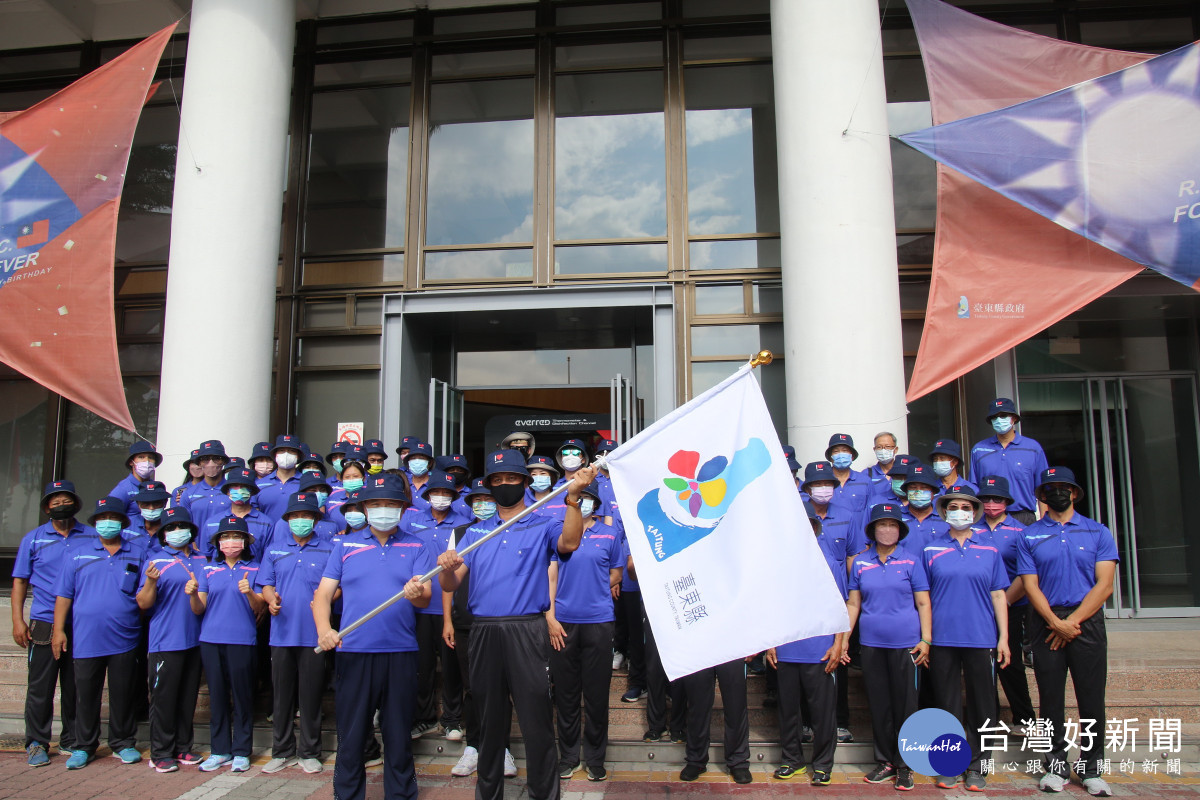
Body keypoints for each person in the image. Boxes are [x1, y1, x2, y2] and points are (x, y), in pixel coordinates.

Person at [436, 450, 595, 800]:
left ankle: (544, 794)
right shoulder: (475, 533)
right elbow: (450, 585)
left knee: (536, 717)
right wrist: (447, 565)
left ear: (524, 482)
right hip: (484, 632)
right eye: (497, 480)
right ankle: (489, 793)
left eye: (511, 479)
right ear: (489, 486)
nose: (504, 485)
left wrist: (572, 498)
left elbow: (570, 542)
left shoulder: (541, 525)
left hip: (527, 630)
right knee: (489, 721)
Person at [315, 473, 434, 800]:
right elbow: (323, 596)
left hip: (401, 652)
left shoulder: (417, 545)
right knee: (351, 734)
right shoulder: (344, 545)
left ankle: (401, 795)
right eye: (376, 504)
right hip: (353, 652)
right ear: (364, 507)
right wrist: (325, 630)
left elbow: (425, 597)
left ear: (403, 508)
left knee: (398, 733)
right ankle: (348, 795)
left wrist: (416, 592)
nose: (383, 509)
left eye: (391, 504)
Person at [1017, 467, 1118, 797]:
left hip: (1085, 621)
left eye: (1063, 488)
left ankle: (1091, 768)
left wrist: (1071, 622)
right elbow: (1030, 585)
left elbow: (1104, 586)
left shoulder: (1097, 532)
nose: (1057, 494)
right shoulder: (1029, 535)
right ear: (1041, 497)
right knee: (1050, 701)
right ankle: (1055, 767)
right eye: (1050, 489)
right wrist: (1055, 622)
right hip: (1046, 621)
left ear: (1074, 493)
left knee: (1091, 700)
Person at [52, 496, 149, 769]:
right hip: (86, 638)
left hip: (125, 636)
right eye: (102, 519)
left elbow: (144, 594)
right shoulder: (77, 554)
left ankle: (123, 742)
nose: (108, 524)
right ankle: (83, 746)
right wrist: (59, 630)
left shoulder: (137, 552)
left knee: (123, 693)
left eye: (113, 519)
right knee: (86, 694)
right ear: (95, 523)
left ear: (123, 523)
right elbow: (63, 596)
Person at [925, 488, 1010, 792]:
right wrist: (926, 638)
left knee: (982, 704)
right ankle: (950, 762)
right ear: (944, 512)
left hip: (981, 637)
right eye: (953, 506)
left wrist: (1004, 639)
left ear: (974, 513)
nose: (959, 511)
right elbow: (923, 599)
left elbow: (999, 594)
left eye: (965, 507)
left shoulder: (989, 550)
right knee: (946, 702)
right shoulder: (931, 550)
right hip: (942, 639)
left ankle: (978, 765)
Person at [846, 503, 931, 791]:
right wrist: (844, 639)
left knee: (905, 705)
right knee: (880, 704)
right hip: (871, 645)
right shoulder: (860, 562)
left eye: (892, 525)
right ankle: (885, 761)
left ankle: (906, 765)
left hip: (906, 645)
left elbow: (922, 602)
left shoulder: (911, 561)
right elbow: (854, 603)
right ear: (872, 530)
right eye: (881, 525)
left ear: (900, 530)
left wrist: (926, 639)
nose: (887, 530)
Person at [767, 500, 848, 787]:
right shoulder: (778, 563)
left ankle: (823, 764)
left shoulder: (829, 562)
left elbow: (841, 605)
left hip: (819, 650)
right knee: (788, 710)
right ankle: (792, 760)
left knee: (822, 712)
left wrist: (839, 643)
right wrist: (771, 643)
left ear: (815, 529)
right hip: (787, 647)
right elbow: (772, 606)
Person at [12, 480, 92, 767]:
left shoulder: (92, 537)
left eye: (65, 500)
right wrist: (18, 621)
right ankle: (36, 742)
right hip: (44, 621)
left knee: (76, 685)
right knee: (40, 687)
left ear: (76, 503)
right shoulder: (33, 539)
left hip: (80, 622)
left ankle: (71, 739)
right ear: (47, 507)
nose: (61, 505)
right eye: (55, 502)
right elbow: (20, 581)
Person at [547, 484, 623, 782]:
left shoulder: (610, 535)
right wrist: (550, 617)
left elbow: (616, 572)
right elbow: (550, 575)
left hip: (599, 622)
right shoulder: (559, 532)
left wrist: (596, 587)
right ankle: (568, 757)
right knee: (565, 695)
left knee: (596, 694)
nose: (584, 503)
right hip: (563, 624)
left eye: (589, 499)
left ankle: (595, 758)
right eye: (580, 499)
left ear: (595, 503)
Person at [258, 496, 335, 775]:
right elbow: (266, 583)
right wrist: (270, 599)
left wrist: (327, 600)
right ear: (288, 519)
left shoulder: (330, 550)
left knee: (311, 696)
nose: (301, 520)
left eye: (306, 515)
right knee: (282, 697)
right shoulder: (274, 550)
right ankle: (281, 751)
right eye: (295, 515)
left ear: (315, 519)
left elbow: (338, 587)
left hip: (315, 635)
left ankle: (310, 751)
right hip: (281, 635)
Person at [442, 479, 508, 779]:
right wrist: (447, 620)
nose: (482, 504)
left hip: (499, 620)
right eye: (477, 500)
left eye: (487, 498)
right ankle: (474, 746)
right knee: (472, 687)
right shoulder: (460, 533)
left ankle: (502, 748)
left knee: (501, 687)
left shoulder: (509, 527)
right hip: (466, 622)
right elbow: (447, 580)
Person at [402, 470, 473, 741]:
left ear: (454, 497)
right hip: (419, 606)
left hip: (448, 605)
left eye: (446, 493)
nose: (440, 497)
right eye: (436, 493)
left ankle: (452, 719)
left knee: (453, 668)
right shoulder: (412, 520)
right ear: (427, 495)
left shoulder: (463, 523)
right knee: (423, 666)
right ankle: (423, 718)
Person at [136, 506, 208, 772]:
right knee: (163, 698)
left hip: (195, 640)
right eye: (171, 528)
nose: (177, 532)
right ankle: (161, 751)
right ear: (164, 535)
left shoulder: (203, 560)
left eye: (182, 527)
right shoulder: (156, 561)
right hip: (166, 641)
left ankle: (182, 747)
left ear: (191, 530)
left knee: (187, 696)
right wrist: (151, 583)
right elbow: (143, 603)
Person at [800, 460, 863, 742]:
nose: (822, 489)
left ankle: (839, 721)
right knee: (804, 660)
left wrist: (853, 593)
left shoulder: (847, 514)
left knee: (838, 657)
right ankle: (806, 722)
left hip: (838, 595)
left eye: (827, 484)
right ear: (808, 488)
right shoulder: (797, 512)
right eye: (816, 484)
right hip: (805, 596)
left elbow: (853, 556)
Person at [198, 516, 264, 773]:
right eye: (225, 537)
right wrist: (193, 593)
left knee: (243, 696)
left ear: (246, 542)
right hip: (210, 640)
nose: (230, 541)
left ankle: (241, 751)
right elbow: (199, 607)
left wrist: (249, 592)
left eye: (236, 536)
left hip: (242, 639)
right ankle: (219, 750)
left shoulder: (256, 569)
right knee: (217, 697)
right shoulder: (208, 569)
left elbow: (261, 609)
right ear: (218, 542)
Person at [976, 475, 1035, 732]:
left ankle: (1024, 718)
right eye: (986, 499)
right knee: (982, 665)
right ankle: (989, 720)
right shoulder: (971, 529)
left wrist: (1005, 602)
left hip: (1012, 606)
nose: (991, 504)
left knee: (1010, 664)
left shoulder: (1021, 532)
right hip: (978, 608)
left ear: (1007, 502)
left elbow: (1026, 574)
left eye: (996, 499)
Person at [969, 398, 1049, 525]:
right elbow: (974, 489)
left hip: (1023, 517)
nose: (999, 420)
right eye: (994, 417)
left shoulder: (1033, 448)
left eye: (1003, 416)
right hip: (988, 518)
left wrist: (1045, 524)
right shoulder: (979, 450)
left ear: (1014, 418)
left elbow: (1043, 490)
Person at [201, 468, 273, 559]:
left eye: (245, 487)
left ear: (252, 491)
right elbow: (205, 557)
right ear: (227, 491)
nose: (239, 490)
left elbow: (268, 558)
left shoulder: (266, 523)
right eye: (235, 486)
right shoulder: (212, 522)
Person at [177, 440, 231, 533]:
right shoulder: (189, 493)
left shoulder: (233, 492)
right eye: (205, 459)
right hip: (197, 546)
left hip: (226, 545)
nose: (211, 463)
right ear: (199, 463)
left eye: (216, 458)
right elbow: (183, 525)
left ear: (224, 461)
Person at [899, 463, 948, 553]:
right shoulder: (896, 518)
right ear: (906, 492)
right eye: (913, 488)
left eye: (924, 488)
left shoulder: (946, 519)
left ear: (933, 492)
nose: (918, 492)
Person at [256, 434, 306, 520]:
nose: (286, 454)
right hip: (268, 533)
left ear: (298, 456)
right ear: (275, 455)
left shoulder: (306, 483)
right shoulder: (259, 484)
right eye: (282, 450)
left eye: (291, 451)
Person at [111, 441, 163, 523]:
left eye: (151, 457)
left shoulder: (156, 487)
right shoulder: (123, 489)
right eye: (141, 457)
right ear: (131, 462)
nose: (147, 461)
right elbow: (111, 518)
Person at [825, 433, 872, 514]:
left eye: (845, 451)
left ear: (852, 456)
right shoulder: (822, 481)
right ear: (830, 457)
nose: (841, 455)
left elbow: (870, 511)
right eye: (836, 451)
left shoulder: (865, 481)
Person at [864, 432, 902, 506]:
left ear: (895, 449)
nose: (883, 450)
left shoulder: (904, 473)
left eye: (887, 446)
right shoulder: (867, 474)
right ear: (874, 449)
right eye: (879, 447)